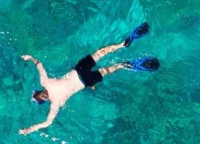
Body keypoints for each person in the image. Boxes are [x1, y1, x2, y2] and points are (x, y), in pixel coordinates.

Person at [20, 22, 157, 135]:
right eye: (41, 97)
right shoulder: (51, 96)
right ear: (42, 97)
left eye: (39, 95)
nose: (43, 96)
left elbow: (39, 65)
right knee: (103, 61)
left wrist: (30, 58)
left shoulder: (50, 92)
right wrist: (29, 130)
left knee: (103, 61)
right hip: (83, 76)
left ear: (40, 95)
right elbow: (48, 122)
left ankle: (123, 54)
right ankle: (123, 55)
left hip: (83, 75)